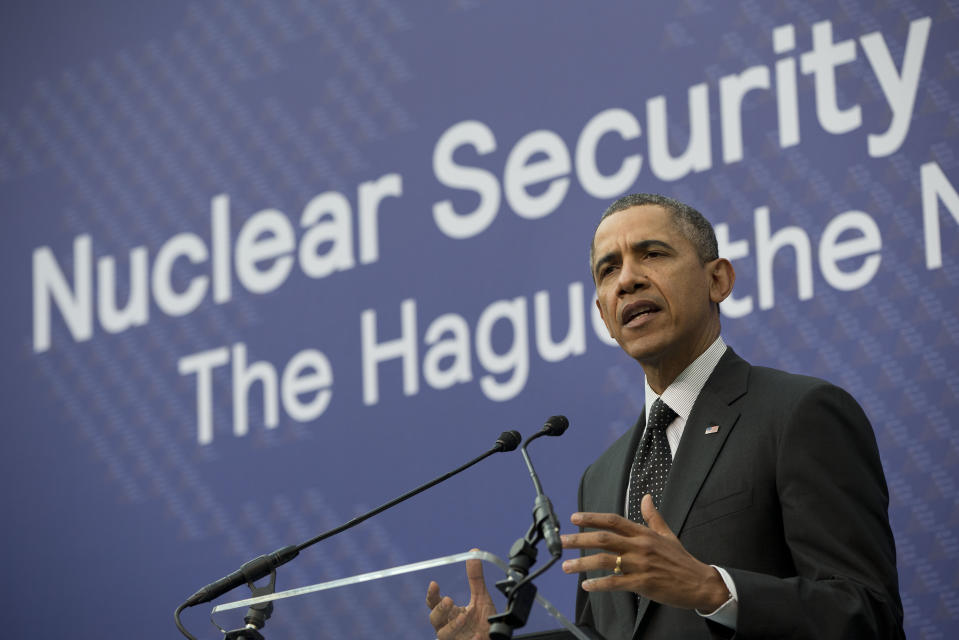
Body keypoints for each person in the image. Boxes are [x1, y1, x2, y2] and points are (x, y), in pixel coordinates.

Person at [427, 194, 904, 639]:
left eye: (652, 254)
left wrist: (713, 589)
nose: (627, 279)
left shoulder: (798, 413)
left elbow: (868, 610)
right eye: (608, 269)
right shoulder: (603, 476)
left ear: (718, 279)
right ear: (603, 314)